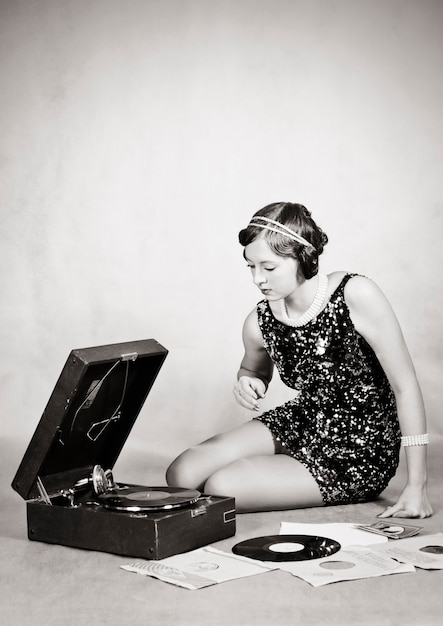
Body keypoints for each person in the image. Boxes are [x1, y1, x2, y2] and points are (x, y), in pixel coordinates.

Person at [166, 202, 432, 517]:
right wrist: (247, 381)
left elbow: (405, 386)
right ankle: (280, 470)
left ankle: (282, 474)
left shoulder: (356, 294)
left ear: (301, 257)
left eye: (269, 267)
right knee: (181, 473)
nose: (257, 279)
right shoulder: (259, 320)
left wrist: (417, 486)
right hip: (303, 422)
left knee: (223, 487)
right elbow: (252, 369)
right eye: (251, 267)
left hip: (356, 452)